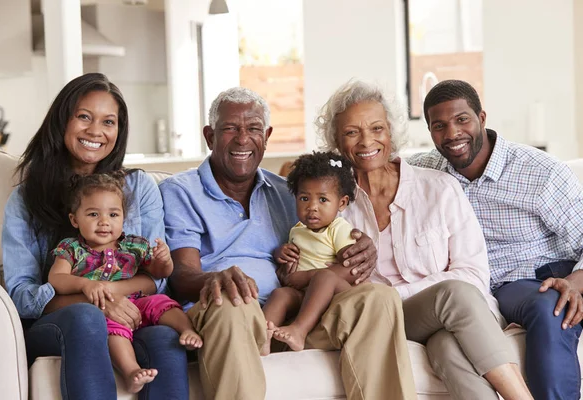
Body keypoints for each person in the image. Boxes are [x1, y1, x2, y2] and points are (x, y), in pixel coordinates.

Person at [160, 87, 418, 400]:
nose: (243, 139)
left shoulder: (289, 192)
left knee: (378, 297)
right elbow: (182, 274)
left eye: (253, 128)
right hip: (230, 319)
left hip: (293, 320)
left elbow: (322, 244)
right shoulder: (181, 191)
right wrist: (215, 278)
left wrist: (362, 251)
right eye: (230, 128)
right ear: (210, 136)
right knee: (231, 300)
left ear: (266, 136)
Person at [318, 80, 532, 400]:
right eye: (351, 132)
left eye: (377, 128)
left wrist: (396, 291)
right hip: (390, 319)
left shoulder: (439, 188)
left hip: (451, 315)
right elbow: (327, 284)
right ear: (336, 140)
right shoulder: (330, 207)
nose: (366, 141)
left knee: (447, 346)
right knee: (453, 294)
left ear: (391, 132)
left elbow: (473, 275)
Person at [2, 73, 189, 400]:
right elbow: (22, 296)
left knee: (162, 336)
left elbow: (156, 280)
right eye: (84, 117)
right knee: (87, 316)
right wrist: (95, 301)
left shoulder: (138, 188)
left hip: (129, 312)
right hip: (59, 323)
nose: (95, 131)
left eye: (108, 121)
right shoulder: (27, 198)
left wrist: (110, 295)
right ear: (62, 121)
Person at [409, 79, 583, 400]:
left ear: (482, 118)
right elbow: (366, 175)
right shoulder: (423, 172)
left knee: (552, 307)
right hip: (468, 295)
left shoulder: (540, 172)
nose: (452, 134)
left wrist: (575, 280)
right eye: (439, 126)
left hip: (528, 279)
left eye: (462, 120)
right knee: (446, 344)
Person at [48, 172, 202, 393]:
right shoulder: (71, 249)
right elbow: (56, 278)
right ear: (75, 219)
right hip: (105, 309)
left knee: (161, 301)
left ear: (123, 218)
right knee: (112, 327)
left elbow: (159, 273)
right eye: (93, 214)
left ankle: (187, 330)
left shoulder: (133, 245)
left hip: (136, 301)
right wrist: (84, 285)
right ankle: (131, 371)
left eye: (113, 214)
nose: (104, 222)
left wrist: (164, 260)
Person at [262, 151, 357, 353]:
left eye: (323, 200)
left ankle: (299, 331)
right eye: (304, 198)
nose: (312, 207)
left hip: (336, 293)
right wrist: (282, 254)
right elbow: (296, 260)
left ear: (341, 203)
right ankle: (261, 337)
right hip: (304, 294)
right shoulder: (297, 230)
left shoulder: (338, 228)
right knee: (280, 295)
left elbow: (352, 268)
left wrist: (306, 277)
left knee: (324, 277)